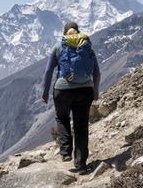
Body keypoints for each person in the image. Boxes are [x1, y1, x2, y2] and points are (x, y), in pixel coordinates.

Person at [41, 21, 101, 174]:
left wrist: (45, 92)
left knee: (62, 118)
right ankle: (81, 163)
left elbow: (48, 72)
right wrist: (95, 90)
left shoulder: (58, 47)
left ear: (65, 33)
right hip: (85, 90)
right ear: (79, 32)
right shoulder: (87, 46)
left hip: (63, 90)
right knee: (81, 125)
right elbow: (96, 71)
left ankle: (66, 153)